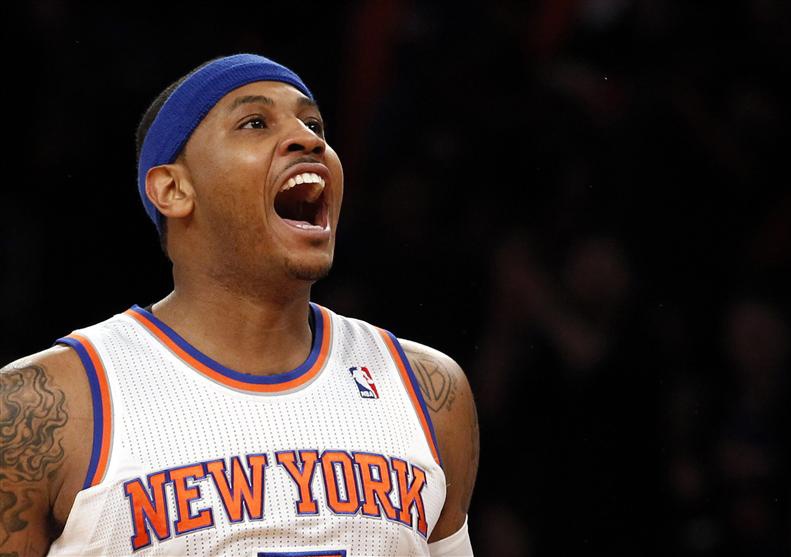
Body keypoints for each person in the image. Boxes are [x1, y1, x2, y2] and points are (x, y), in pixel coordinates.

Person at [0, 54, 478, 556]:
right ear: (173, 188)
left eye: (313, 123)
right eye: (255, 122)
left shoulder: (429, 391)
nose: (309, 139)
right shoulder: (46, 406)